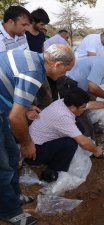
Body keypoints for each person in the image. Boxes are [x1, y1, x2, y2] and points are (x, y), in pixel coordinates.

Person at [0, 44, 74, 225]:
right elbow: (16, 118)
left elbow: (11, 86)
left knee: (11, 158)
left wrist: (25, 106)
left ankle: (14, 197)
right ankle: (9, 212)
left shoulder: (33, 58)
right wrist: (27, 143)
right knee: (3, 167)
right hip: (5, 113)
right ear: (57, 65)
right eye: (66, 70)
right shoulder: (34, 73)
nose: (65, 75)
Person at [25, 87, 104, 182]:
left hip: (38, 142)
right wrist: (96, 150)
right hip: (33, 154)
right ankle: (52, 172)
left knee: (80, 127)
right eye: (83, 108)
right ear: (72, 107)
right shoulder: (63, 116)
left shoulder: (63, 102)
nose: (84, 109)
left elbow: (90, 105)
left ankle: (55, 157)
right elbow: (82, 142)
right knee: (70, 143)